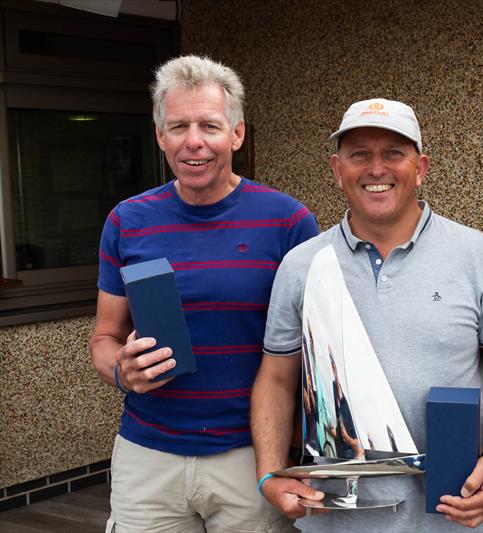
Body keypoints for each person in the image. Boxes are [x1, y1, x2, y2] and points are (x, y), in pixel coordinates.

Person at [251, 98, 483, 532]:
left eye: (393, 154)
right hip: (338, 520)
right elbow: (276, 378)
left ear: (420, 168)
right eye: (359, 154)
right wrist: (270, 471)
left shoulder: (476, 254)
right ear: (336, 169)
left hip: (457, 518)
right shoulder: (302, 265)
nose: (376, 168)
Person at [89, 55, 318, 532]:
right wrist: (120, 370)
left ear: (236, 134)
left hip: (250, 457)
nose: (194, 141)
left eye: (210, 126)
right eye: (178, 126)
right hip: (147, 456)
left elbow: (314, 353)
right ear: (160, 137)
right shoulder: (126, 221)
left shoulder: (289, 223)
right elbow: (104, 337)